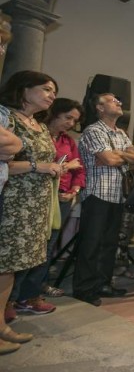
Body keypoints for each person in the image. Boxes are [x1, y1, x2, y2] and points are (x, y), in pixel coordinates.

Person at [0, 72, 54, 353]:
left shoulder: (39, 125)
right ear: (24, 89)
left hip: (33, 202)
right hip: (10, 198)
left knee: (9, 267)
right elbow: (7, 164)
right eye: (45, 89)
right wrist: (38, 167)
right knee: (1, 263)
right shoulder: (6, 117)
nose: (51, 95)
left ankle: (1, 325)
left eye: (54, 91)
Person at [73, 93, 134, 307]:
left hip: (118, 194)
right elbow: (110, 159)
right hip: (97, 193)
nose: (119, 103)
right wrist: (117, 156)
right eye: (113, 101)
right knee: (91, 243)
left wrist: (115, 156)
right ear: (100, 108)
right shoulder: (93, 130)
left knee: (110, 243)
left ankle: (103, 283)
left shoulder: (121, 133)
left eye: (119, 101)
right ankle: (84, 288)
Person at [41, 98, 85, 298]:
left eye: (74, 120)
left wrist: (74, 190)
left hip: (64, 198)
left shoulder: (67, 140)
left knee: (50, 245)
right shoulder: (41, 135)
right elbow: (42, 167)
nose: (71, 124)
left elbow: (80, 170)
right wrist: (66, 167)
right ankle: (19, 293)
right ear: (55, 112)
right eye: (68, 118)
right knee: (36, 244)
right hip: (43, 195)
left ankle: (41, 286)